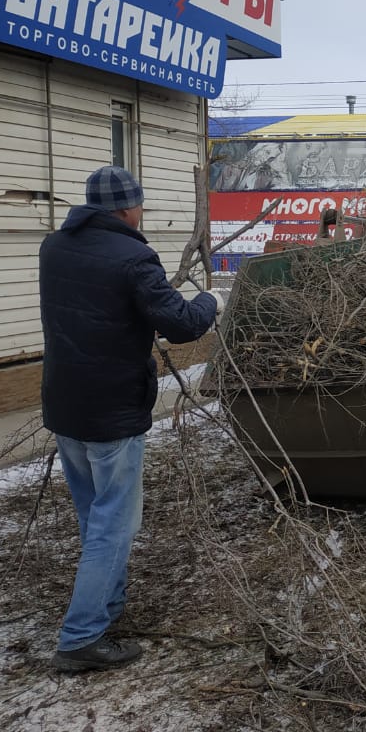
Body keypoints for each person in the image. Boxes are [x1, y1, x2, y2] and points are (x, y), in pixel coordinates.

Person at [39, 166, 222, 673]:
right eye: (139, 205)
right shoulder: (133, 256)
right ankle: (80, 638)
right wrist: (213, 299)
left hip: (66, 406)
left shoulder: (53, 248)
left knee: (94, 515)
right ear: (127, 208)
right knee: (114, 523)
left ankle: (106, 608)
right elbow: (182, 325)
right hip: (112, 410)